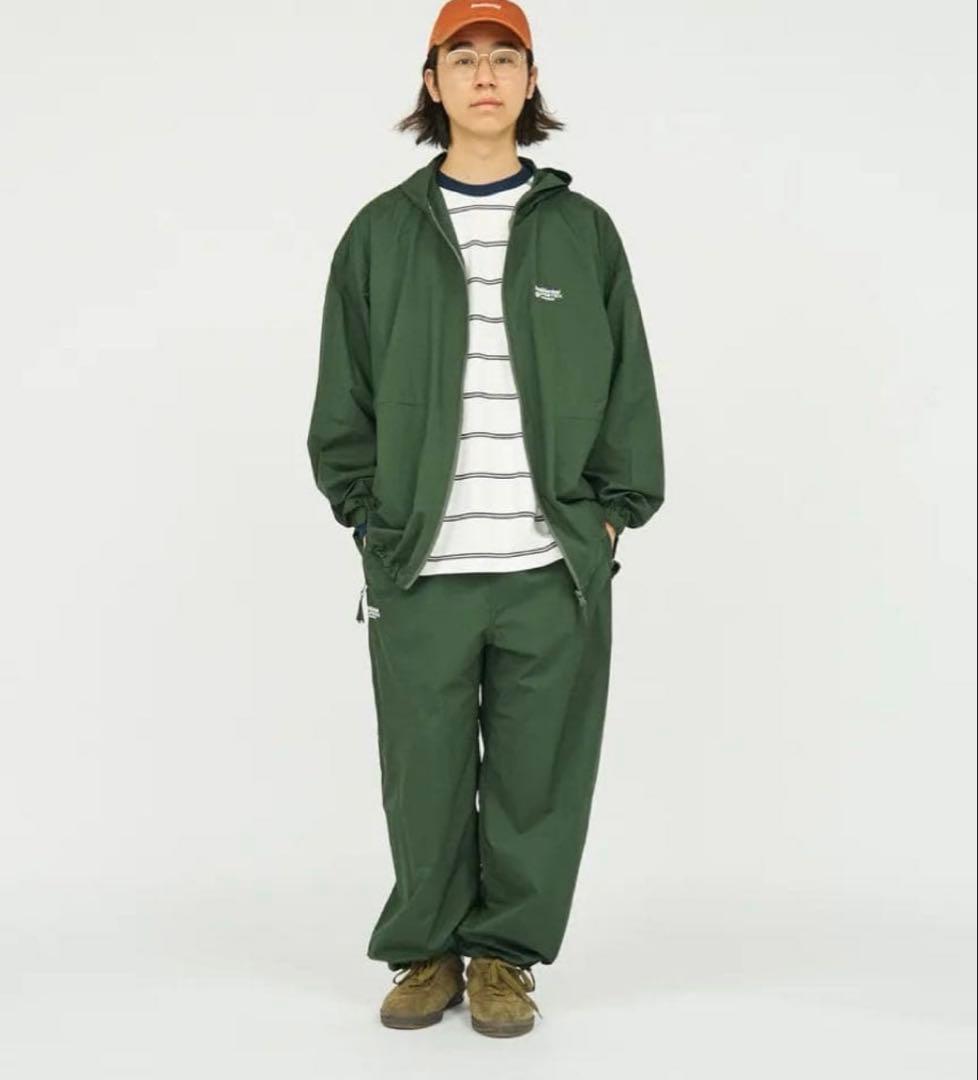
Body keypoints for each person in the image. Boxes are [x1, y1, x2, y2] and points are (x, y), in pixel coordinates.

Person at [307, 0, 665, 1038]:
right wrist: (371, 521)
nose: (484, 76)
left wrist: (609, 519)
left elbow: (630, 386)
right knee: (421, 774)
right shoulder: (381, 234)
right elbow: (343, 397)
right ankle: (425, 950)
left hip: (551, 567)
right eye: (461, 58)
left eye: (504, 58)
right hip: (420, 562)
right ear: (432, 84)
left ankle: (505, 957)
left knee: (538, 778)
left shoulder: (582, 231)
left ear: (530, 81)